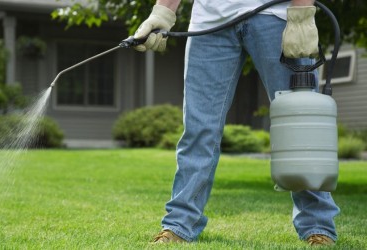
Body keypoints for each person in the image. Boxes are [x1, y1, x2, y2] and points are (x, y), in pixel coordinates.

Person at [134, 0, 340, 246]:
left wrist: (302, 13)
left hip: (277, 15)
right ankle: (178, 224)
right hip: (211, 21)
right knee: (199, 129)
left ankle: (318, 226)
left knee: (302, 122)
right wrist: (163, 11)